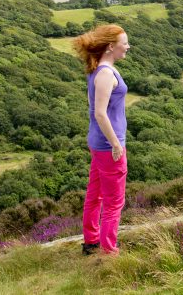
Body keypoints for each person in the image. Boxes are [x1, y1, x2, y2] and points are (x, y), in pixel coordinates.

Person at [73, 24, 131, 256]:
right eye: (124, 42)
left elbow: (92, 106)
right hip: (109, 146)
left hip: (97, 142)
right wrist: (116, 144)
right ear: (110, 46)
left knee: (95, 194)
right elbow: (99, 112)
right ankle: (109, 250)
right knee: (114, 202)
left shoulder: (96, 70)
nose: (128, 46)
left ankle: (91, 241)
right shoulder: (106, 73)